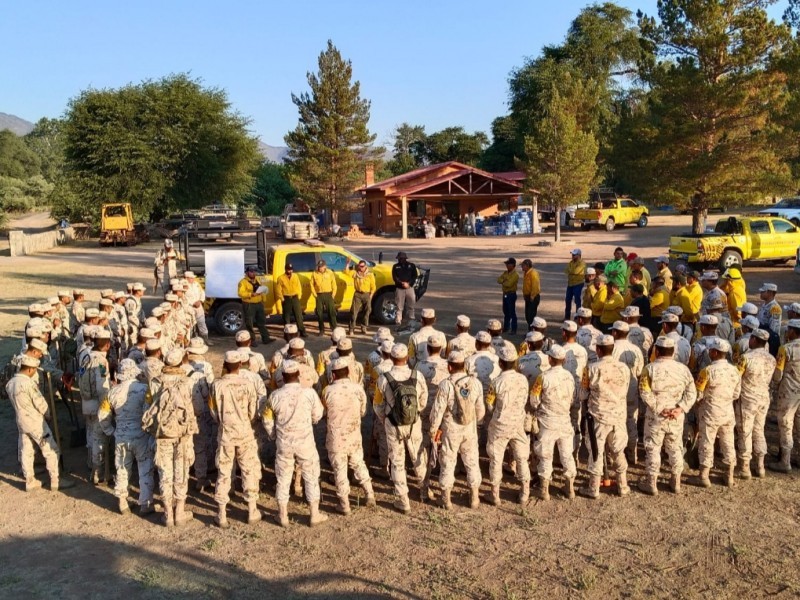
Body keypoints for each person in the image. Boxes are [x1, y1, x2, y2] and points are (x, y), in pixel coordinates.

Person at [263, 360, 327, 527]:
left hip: (284, 443)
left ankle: (282, 515)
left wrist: (274, 435)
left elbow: (267, 419)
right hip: (305, 442)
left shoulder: (274, 396)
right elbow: (318, 414)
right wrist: (311, 421)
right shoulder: (309, 393)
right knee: (311, 476)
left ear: (283, 377)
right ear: (298, 375)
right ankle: (314, 514)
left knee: (283, 478)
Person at [143, 349, 198, 527]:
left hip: (162, 434)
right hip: (182, 434)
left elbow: (148, 406)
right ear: (181, 362)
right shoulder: (189, 382)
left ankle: (167, 514)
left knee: (165, 473)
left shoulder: (155, 382)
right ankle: (180, 511)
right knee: (181, 472)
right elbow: (196, 407)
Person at [637, 337, 697, 495]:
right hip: (676, 416)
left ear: (656, 351)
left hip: (655, 417)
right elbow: (692, 392)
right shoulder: (683, 369)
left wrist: (659, 408)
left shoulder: (649, 369)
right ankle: (675, 481)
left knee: (652, 448)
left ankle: (652, 482)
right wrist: (681, 408)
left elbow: (644, 391)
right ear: (674, 352)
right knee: (675, 447)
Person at [209, 351, 262, 528]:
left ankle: (221, 514)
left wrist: (223, 422)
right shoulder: (248, 384)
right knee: (249, 470)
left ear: (224, 365)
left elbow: (213, 412)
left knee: (224, 472)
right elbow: (253, 412)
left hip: (226, 434)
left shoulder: (216, 386)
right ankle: (252, 509)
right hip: (245, 433)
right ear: (240, 365)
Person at [6, 355, 74, 492]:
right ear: (30, 369)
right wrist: (48, 414)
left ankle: (29, 480)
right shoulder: (29, 384)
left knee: (27, 450)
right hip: (35, 421)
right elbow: (40, 403)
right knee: (51, 449)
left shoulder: (11, 383)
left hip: (21, 420)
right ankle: (56, 480)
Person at [428, 351, 485, 509]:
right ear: (465, 366)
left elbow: (437, 411)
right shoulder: (475, 383)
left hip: (451, 429)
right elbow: (480, 410)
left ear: (449, 366)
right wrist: (476, 424)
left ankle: (446, 499)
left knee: (448, 461)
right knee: (472, 460)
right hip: (469, 428)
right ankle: (474, 497)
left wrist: (433, 430)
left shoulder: (446, 385)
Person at [98, 359, 154, 514]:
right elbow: (150, 413)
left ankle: (122, 502)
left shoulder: (112, 392)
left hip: (121, 437)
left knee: (122, 469)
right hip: (141, 435)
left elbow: (102, 415)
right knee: (145, 469)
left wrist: (111, 432)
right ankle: (146, 503)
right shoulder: (145, 390)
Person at [579, 335, 631, 499]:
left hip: (598, 418)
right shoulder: (624, 368)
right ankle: (623, 485)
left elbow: (582, 394)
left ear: (598, 350)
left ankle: (593, 488)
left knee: (596, 452)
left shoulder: (590, 369)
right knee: (618, 451)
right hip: (618, 416)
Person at [322, 358, 376, 515]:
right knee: (359, 464)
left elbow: (323, 413)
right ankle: (369, 494)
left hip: (335, 437)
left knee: (339, 469)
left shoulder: (328, 391)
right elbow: (363, 412)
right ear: (348, 372)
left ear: (333, 374)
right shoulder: (358, 389)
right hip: (353, 435)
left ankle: (344, 504)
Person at [530, 345, 578, 501]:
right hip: (564, 420)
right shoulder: (569, 377)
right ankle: (569, 487)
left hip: (547, 421)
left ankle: (544, 489)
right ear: (563, 360)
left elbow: (534, 399)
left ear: (550, 359)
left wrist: (538, 409)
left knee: (545, 454)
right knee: (566, 455)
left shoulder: (542, 377)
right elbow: (573, 398)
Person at [485, 346, 531, 505]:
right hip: (518, 423)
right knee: (521, 457)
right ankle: (525, 492)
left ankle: (495, 494)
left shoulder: (495, 382)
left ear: (500, 363)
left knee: (496, 459)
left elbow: (490, 405)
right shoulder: (523, 379)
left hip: (500, 425)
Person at [695, 338, 741, 487]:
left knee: (707, 442)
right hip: (727, 411)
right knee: (728, 443)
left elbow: (698, 394)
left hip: (710, 412)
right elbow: (736, 394)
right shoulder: (735, 370)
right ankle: (729, 476)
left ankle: (704, 476)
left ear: (714, 352)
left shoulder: (707, 371)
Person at [735, 330, 776, 479]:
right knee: (759, 430)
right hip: (763, 398)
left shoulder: (745, 358)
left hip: (747, 399)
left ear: (753, 339)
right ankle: (760, 466)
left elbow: (736, 377)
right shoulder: (771, 359)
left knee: (745, 431)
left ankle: (745, 467)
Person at [78, 329, 112, 485]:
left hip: (86, 402)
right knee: (99, 438)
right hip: (97, 404)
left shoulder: (86, 355)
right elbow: (102, 387)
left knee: (90, 433)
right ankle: (97, 472)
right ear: (107, 345)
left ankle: (90, 463)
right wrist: (108, 405)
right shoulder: (101, 362)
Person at [611, 321, 645, 465]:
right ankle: (632, 453)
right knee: (632, 420)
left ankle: (614, 455)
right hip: (632, 387)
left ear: (614, 333)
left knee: (615, 423)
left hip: (615, 390)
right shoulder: (635, 349)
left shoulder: (611, 349)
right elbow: (639, 371)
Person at [770, 319, 800, 473]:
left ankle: (785, 461)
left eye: (789, 330)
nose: (787, 332)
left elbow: (778, 373)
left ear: (794, 331)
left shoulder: (785, 349)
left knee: (786, 424)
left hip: (789, 392)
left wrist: (774, 384)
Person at [237, 266, 272, 346]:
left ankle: (266, 338)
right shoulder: (243, 282)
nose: (253, 273)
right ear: (247, 272)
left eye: (254, 271)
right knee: (249, 323)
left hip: (258, 303)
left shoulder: (257, 280)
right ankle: (252, 341)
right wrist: (251, 294)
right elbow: (240, 293)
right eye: (251, 271)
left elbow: (262, 290)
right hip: (249, 304)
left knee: (261, 322)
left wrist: (263, 300)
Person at [276, 263, 307, 337]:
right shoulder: (280, 278)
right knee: (286, 317)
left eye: (291, 270)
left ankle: (302, 331)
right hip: (286, 298)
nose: (290, 271)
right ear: (285, 269)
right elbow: (278, 290)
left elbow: (299, 286)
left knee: (298, 315)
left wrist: (299, 296)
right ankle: (287, 333)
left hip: (295, 298)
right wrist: (282, 298)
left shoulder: (295, 276)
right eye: (288, 270)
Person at [311, 259, 338, 336]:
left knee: (331, 312)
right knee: (319, 313)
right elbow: (311, 285)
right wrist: (315, 295)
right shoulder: (314, 273)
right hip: (319, 295)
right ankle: (321, 330)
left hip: (329, 294)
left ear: (325, 266)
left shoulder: (330, 273)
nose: (320, 268)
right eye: (319, 267)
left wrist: (333, 295)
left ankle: (334, 328)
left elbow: (334, 284)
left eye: (321, 267)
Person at [348, 259, 375, 335]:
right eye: (359, 266)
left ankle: (364, 327)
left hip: (366, 294)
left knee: (367, 310)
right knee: (354, 311)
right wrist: (347, 263)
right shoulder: (355, 273)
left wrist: (371, 295)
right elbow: (346, 272)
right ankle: (351, 328)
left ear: (365, 266)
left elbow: (373, 286)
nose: (361, 268)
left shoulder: (370, 274)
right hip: (358, 294)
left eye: (362, 266)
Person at [392, 252, 417, 330]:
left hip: (410, 288)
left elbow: (414, 276)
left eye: (402, 258)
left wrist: (409, 283)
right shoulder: (395, 267)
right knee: (399, 306)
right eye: (399, 258)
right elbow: (395, 278)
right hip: (400, 288)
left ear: (405, 258)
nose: (400, 260)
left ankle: (411, 319)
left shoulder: (411, 266)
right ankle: (398, 320)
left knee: (411, 305)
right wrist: (401, 283)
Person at [497, 257, 519, 334]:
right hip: (505, 294)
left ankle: (514, 329)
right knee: (505, 311)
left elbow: (509, 284)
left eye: (508, 264)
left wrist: (503, 281)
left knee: (512, 312)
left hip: (511, 294)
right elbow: (498, 280)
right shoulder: (505, 273)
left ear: (512, 265)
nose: (506, 265)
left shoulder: (515, 275)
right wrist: (504, 281)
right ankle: (506, 327)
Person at [563, 249, 585, 321]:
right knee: (567, 300)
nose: (572, 256)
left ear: (579, 255)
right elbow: (566, 271)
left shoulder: (582, 263)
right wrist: (572, 271)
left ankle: (577, 317)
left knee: (577, 300)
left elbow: (575, 271)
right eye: (572, 254)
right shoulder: (571, 262)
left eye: (574, 255)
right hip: (570, 283)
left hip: (578, 283)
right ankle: (567, 317)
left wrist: (571, 271)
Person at [521, 259, 541, 328]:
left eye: (523, 265)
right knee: (527, 315)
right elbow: (525, 285)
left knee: (531, 315)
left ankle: (532, 330)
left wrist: (532, 296)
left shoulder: (533, 273)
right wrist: (524, 294)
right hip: (528, 296)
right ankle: (530, 329)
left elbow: (535, 286)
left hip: (533, 297)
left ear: (527, 266)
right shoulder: (526, 273)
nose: (522, 267)